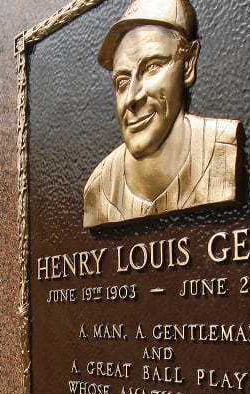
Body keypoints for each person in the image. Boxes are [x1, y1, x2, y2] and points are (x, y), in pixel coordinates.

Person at [84, 0, 241, 229]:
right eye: (123, 81)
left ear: (188, 64)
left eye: (152, 67)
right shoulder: (99, 189)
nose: (132, 98)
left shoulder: (223, 152)